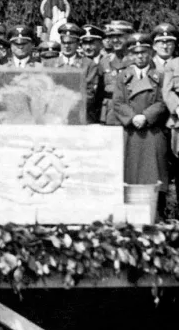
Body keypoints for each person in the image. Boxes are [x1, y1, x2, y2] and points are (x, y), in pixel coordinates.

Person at [114, 33, 168, 197]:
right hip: (130, 131)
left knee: (153, 172)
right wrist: (132, 117)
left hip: (152, 129)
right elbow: (117, 102)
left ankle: (156, 211)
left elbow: (163, 101)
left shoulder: (160, 77)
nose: (140, 57)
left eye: (143, 52)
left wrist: (146, 116)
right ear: (130, 55)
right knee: (130, 172)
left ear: (150, 53)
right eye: (136, 53)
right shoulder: (122, 77)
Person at [56, 22, 101, 124]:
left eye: (70, 42)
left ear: (77, 44)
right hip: (55, 117)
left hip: (79, 116)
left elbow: (89, 94)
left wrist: (69, 108)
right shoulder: (50, 64)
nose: (67, 46)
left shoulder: (89, 65)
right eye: (64, 42)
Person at [99, 20, 134, 124]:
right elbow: (99, 91)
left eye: (119, 36)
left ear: (129, 36)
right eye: (111, 36)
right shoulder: (105, 61)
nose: (114, 40)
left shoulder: (137, 60)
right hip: (110, 112)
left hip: (130, 111)